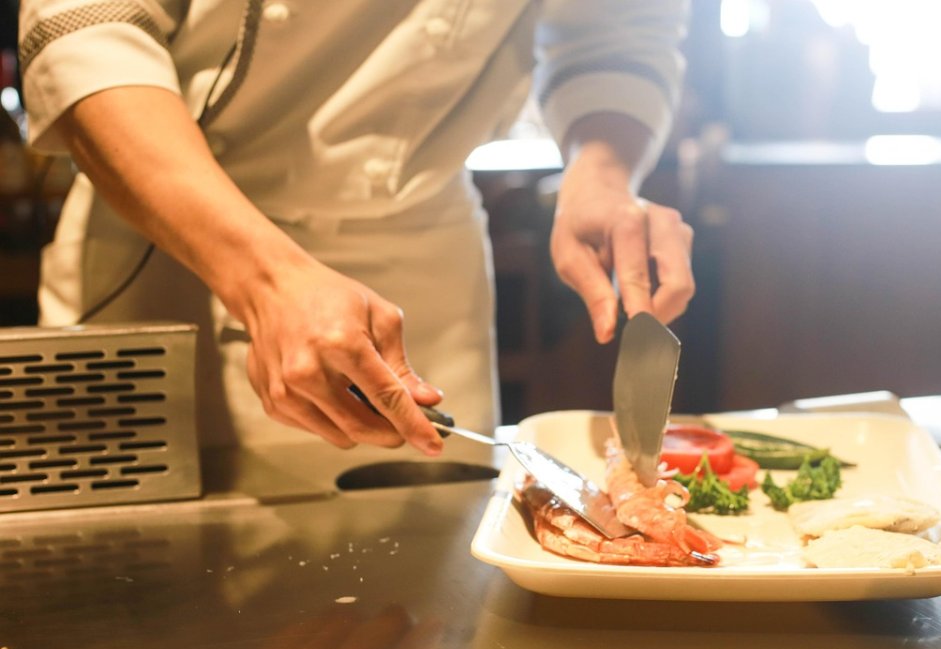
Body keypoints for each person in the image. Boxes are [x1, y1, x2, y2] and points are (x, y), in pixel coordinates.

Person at [17, 1, 695, 456]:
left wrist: (602, 172)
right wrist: (264, 280)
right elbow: (87, 32)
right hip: (175, 236)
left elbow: (617, 31)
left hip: (423, 262)